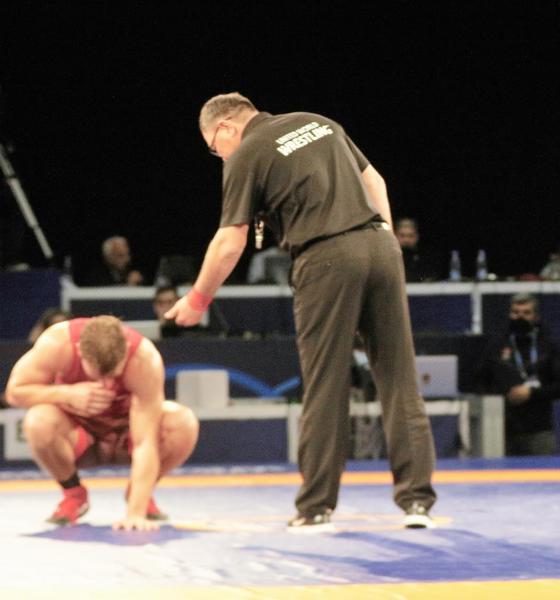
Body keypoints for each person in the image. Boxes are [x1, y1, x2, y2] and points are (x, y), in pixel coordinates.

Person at [165, 92, 436, 531]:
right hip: (381, 248)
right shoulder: (319, 120)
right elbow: (376, 182)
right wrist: (385, 236)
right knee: (399, 377)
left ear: (225, 128)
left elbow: (230, 240)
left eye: (215, 150)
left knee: (325, 383)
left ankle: (315, 508)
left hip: (325, 257)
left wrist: (197, 300)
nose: (220, 159)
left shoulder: (247, 152)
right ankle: (417, 503)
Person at [4, 315, 199, 530]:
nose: (106, 385)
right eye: (98, 375)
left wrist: (135, 513)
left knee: (182, 422)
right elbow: (15, 393)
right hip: (78, 434)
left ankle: (139, 492)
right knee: (37, 421)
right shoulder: (58, 343)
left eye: (113, 374)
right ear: (79, 351)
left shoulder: (144, 359)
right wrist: (65, 394)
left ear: (125, 351)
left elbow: (145, 442)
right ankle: (73, 495)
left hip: (127, 436)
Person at [477, 293, 560, 456]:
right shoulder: (497, 344)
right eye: (515, 313)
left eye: (526, 313)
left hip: (539, 430)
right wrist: (506, 395)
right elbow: (480, 383)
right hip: (502, 428)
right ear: (509, 314)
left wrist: (531, 393)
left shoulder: (548, 344)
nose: (520, 317)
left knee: (544, 477)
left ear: (535, 316)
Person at [81, 236, 146, 287]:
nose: (127, 260)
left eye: (128, 255)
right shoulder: (96, 277)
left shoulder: (132, 271)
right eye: (121, 256)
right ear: (108, 258)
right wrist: (128, 287)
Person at [394, 217, 439, 282]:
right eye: (402, 235)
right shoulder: (390, 257)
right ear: (395, 236)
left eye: (410, 236)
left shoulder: (426, 257)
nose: (406, 240)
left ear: (417, 236)